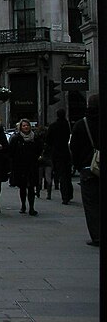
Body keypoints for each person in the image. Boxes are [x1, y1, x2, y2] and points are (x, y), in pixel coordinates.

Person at [69, 94, 100, 247]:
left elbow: (74, 148)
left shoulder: (82, 124)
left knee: (91, 204)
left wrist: (78, 165)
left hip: (89, 168)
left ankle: (97, 236)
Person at [9, 119, 41, 215]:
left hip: (32, 166)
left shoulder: (35, 137)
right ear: (20, 127)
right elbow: (11, 153)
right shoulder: (16, 138)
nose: (26, 127)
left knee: (31, 187)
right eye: (24, 126)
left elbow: (39, 149)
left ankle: (31, 207)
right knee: (22, 187)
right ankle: (23, 205)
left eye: (27, 125)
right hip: (20, 166)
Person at [46, 108, 73, 204]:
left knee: (61, 174)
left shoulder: (53, 126)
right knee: (67, 174)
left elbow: (48, 140)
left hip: (56, 153)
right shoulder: (67, 125)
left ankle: (65, 196)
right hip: (66, 152)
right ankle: (69, 194)